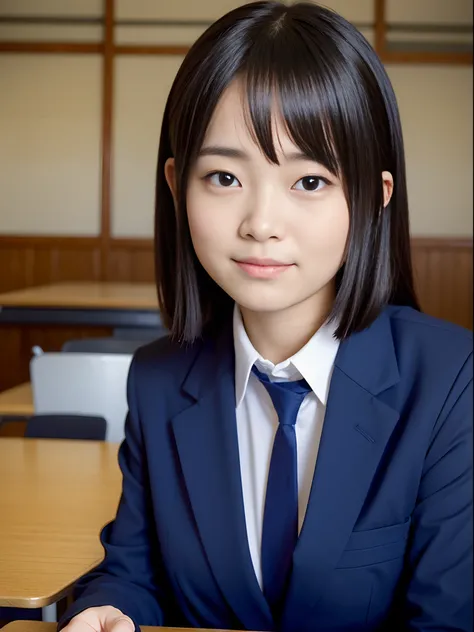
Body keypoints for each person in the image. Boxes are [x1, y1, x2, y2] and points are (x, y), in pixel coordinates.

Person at [59, 2, 473, 631]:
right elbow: (135, 569)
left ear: (374, 198)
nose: (260, 224)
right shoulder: (158, 381)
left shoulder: (450, 382)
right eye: (224, 176)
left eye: (309, 182)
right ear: (177, 186)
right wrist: (110, 608)